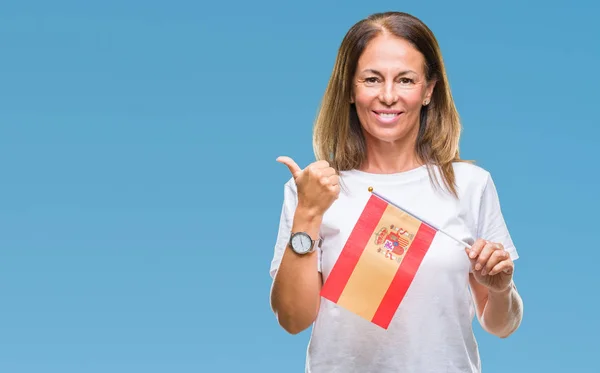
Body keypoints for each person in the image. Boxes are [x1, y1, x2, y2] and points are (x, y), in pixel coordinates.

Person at [268, 11, 524, 373]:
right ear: (349, 90)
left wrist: (500, 289)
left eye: (405, 80)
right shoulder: (313, 190)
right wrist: (307, 214)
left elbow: (503, 325)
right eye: (372, 79)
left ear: (428, 90)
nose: (388, 96)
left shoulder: (471, 185)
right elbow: (292, 319)